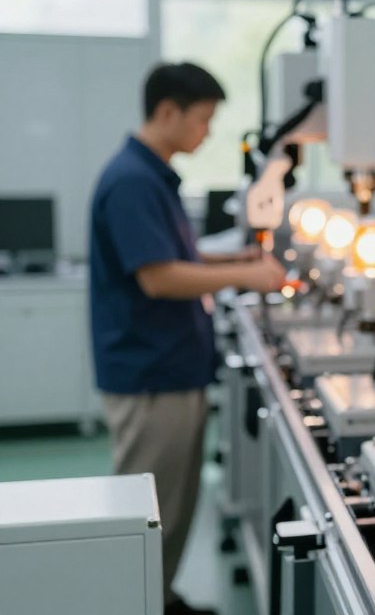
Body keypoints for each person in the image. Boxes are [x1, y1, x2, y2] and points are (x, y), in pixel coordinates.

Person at [90, 62, 287, 615]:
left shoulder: (152, 175)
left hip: (170, 364)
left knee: (172, 503)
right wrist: (246, 276)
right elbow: (158, 277)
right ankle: (133, 604)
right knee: (149, 510)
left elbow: (174, 255)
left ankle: (160, 597)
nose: (207, 132)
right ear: (168, 111)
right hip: (151, 372)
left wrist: (234, 258)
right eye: (203, 120)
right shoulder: (132, 181)